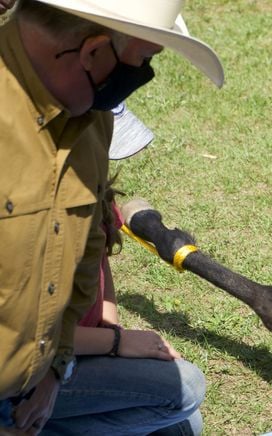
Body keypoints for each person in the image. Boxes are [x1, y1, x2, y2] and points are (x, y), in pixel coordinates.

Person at [0, 0, 222, 433]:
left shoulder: (92, 122)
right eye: (142, 60)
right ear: (93, 53)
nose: (140, 77)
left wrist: (54, 369)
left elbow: (86, 254)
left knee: (182, 422)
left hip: (31, 384)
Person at [35, 107, 207, 435]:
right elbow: (27, 338)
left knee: (185, 427)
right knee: (186, 388)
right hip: (34, 368)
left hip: (78, 352)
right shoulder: (32, 217)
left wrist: (112, 328)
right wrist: (115, 343)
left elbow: (101, 272)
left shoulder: (91, 190)